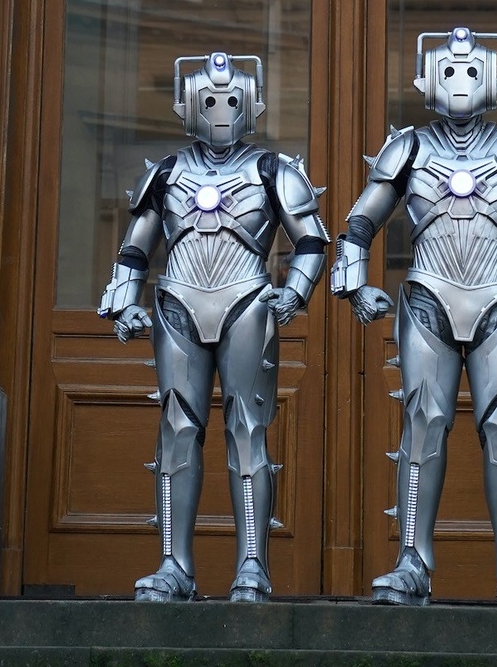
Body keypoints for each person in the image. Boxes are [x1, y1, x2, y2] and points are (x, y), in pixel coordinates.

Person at [329, 28, 497, 609]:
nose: (459, 82)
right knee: (421, 427)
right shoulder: (409, 149)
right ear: (427, 80)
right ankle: (411, 563)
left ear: (494, 81)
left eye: (471, 71)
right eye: (447, 72)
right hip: (427, 300)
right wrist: (354, 284)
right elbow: (358, 222)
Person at [99, 52, 328, 603]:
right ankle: (175, 563)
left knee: (248, 430)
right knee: (177, 431)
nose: (220, 110)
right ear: (187, 107)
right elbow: (134, 249)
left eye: (231, 101)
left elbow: (312, 240)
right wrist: (123, 301)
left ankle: (252, 563)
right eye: (209, 100)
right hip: (177, 304)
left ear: (251, 106)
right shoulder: (167, 173)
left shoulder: (272, 170)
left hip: (247, 303)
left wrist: (294, 290)